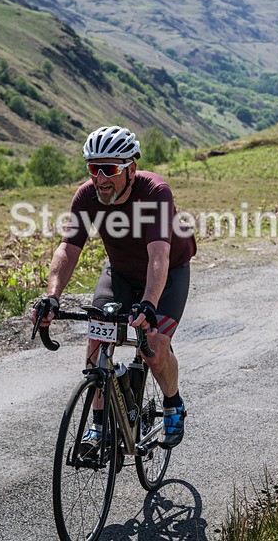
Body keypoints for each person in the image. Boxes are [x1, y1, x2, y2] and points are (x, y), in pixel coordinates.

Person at [31, 125, 196, 451]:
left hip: (168, 272)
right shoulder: (87, 196)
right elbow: (68, 248)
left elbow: (159, 255)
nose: (100, 177)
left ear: (131, 168)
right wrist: (51, 296)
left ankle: (173, 402)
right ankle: (99, 425)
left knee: (155, 344)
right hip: (120, 272)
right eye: (94, 168)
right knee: (98, 331)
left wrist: (149, 303)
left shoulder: (155, 192)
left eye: (109, 169)